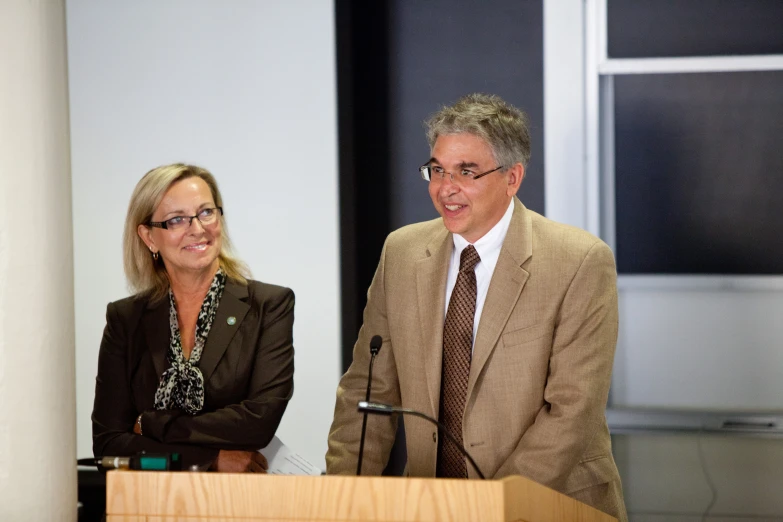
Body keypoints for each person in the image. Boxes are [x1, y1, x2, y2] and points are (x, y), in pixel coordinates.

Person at [327, 94, 627, 520]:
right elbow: (367, 390)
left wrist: (488, 510)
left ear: (512, 177)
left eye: (466, 172)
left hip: (548, 504)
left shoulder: (578, 260)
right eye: (436, 170)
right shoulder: (402, 252)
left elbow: (572, 410)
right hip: (430, 507)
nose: (444, 188)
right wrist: (342, 498)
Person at [92, 163, 294, 472]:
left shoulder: (268, 305)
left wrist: (153, 424)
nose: (198, 228)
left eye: (206, 213)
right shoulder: (125, 319)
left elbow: (258, 422)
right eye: (176, 220)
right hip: (144, 506)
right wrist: (208, 459)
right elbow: (109, 443)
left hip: (235, 504)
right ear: (148, 236)